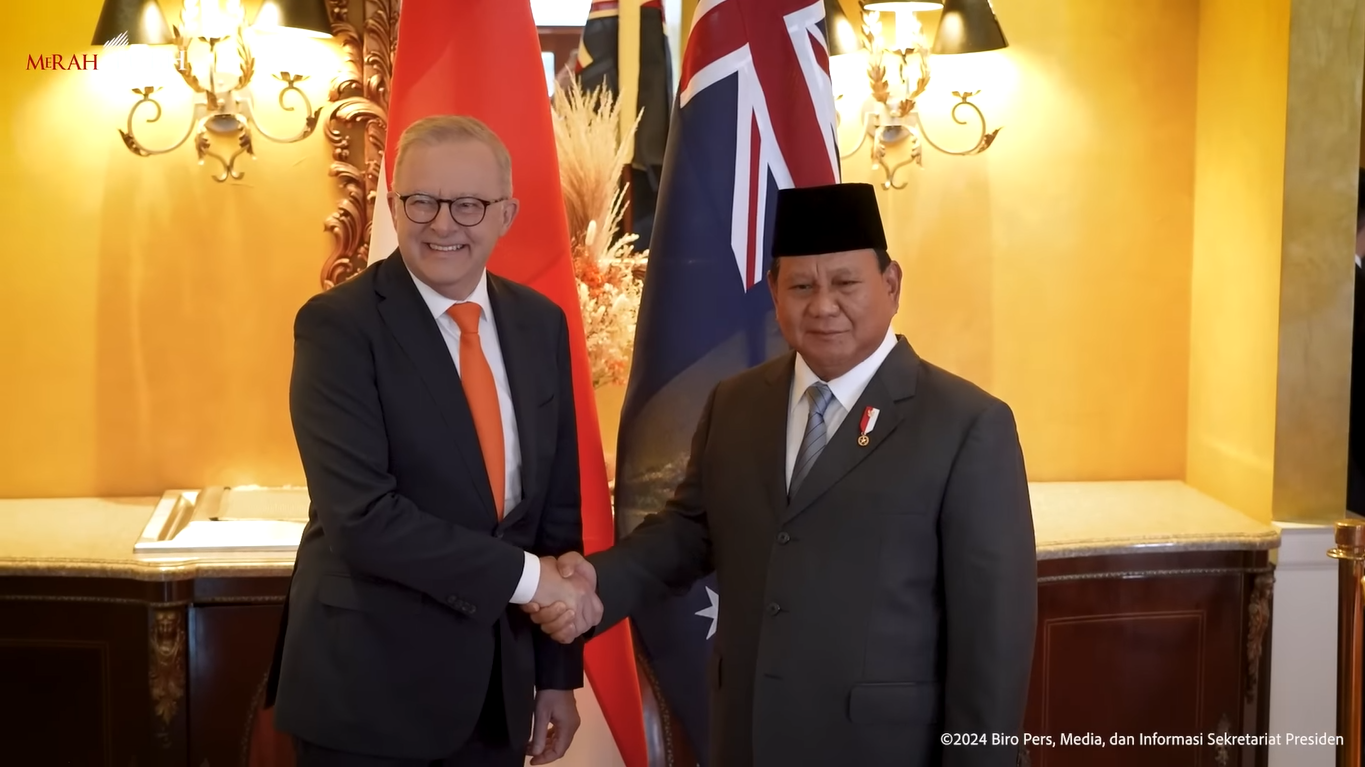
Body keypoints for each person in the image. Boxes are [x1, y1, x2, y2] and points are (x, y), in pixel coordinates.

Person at [528, 182, 1037, 766]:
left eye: (846, 283)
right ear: (774, 292)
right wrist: (596, 584)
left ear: (891, 284)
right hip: (748, 741)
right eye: (801, 286)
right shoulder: (737, 403)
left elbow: (993, 641)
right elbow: (689, 533)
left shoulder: (966, 424)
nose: (823, 306)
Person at [265, 115, 600, 767]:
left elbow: (556, 510)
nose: (443, 224)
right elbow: (362, 518)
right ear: (395, 204)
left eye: (469, 204)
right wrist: (536, 583)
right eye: (421, 201)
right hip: (367, 695)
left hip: (494, 697)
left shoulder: (541, 324)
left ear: (506, 213)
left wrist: (557, 676)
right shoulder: (337, 326)